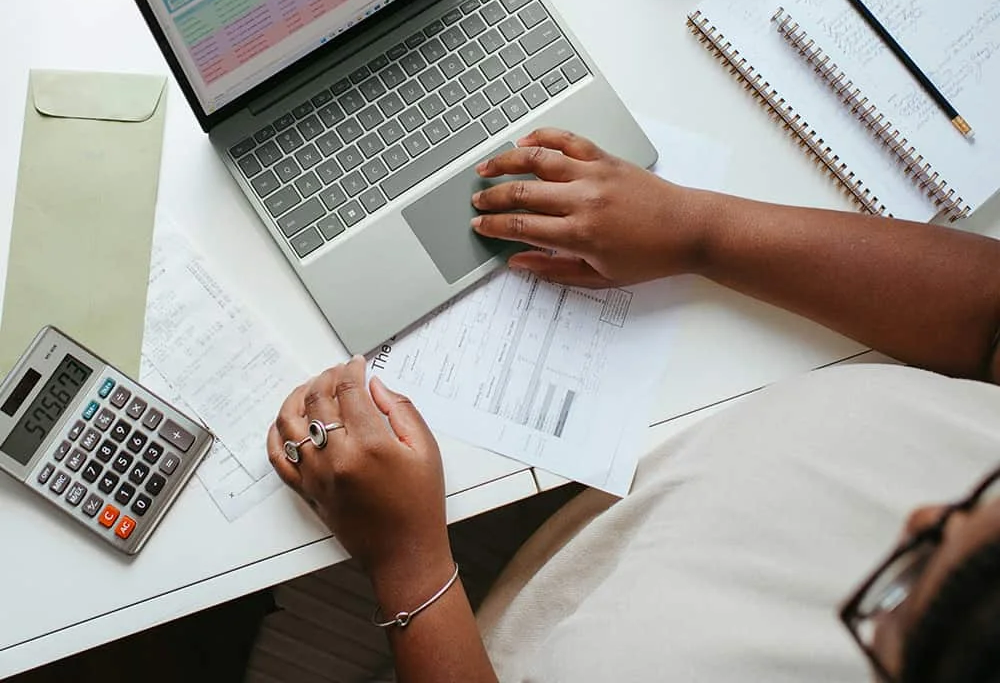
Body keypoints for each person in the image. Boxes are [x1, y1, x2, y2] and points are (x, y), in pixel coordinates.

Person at [268, 129, 1000, 683]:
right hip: (628, 496)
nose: (922, 514)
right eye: (980, 495)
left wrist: (409, 565)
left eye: (906, 582)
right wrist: (698, 230)